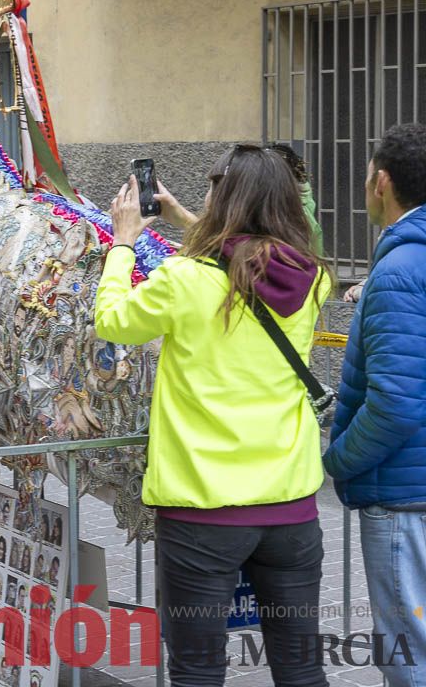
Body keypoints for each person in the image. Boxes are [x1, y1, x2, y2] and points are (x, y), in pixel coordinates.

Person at [95, 144, 332, 687]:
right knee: (301, 669)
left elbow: (110, 320)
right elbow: (250, 259)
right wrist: (185, 218)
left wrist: (124, 243)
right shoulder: (314, 279)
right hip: (291, 509)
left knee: (198, 671)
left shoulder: (185, 280)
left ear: (225, 199)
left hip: (203, 511)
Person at [323, 123, 426, 687]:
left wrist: (337, 459)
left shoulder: (397, 272)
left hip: (404, 499)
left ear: (381, 182)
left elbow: (395, 404)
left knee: (409, 659)